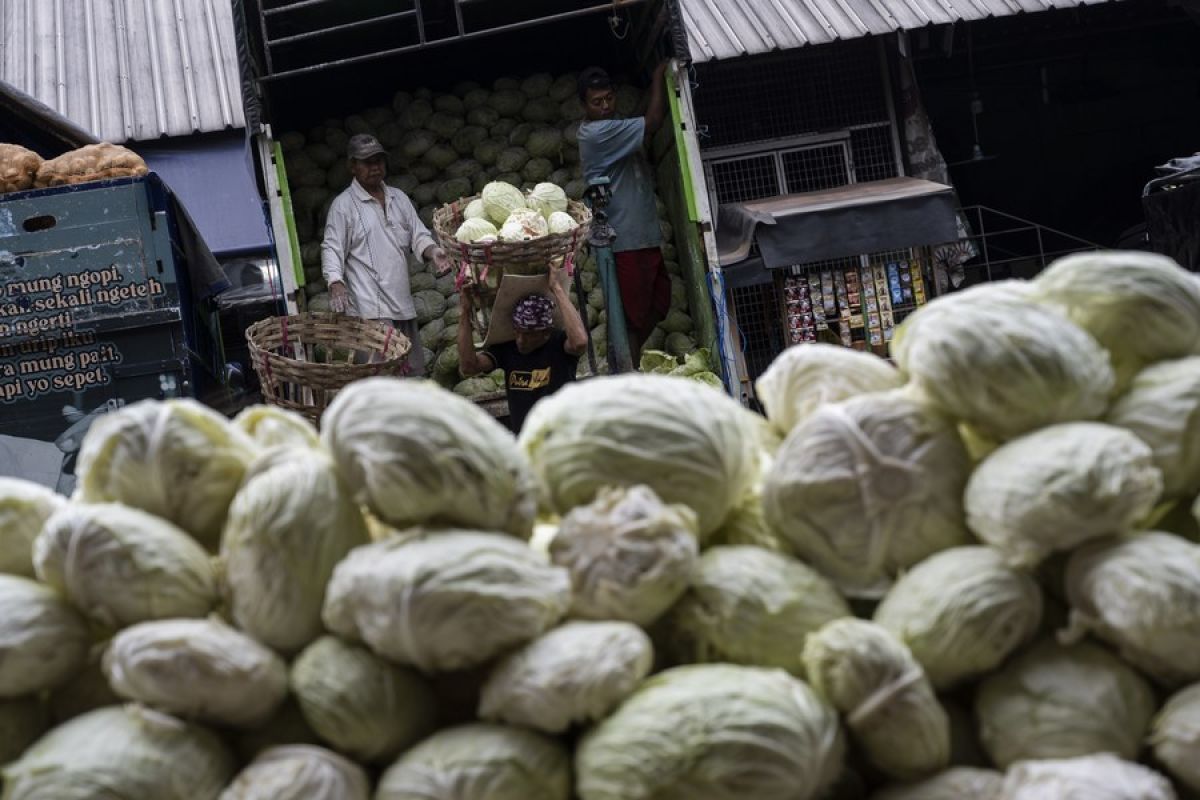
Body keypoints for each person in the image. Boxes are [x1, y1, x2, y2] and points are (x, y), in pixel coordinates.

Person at [321, 133, 451, 374]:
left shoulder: (398, 198)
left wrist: (434, 251)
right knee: (384, 382)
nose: (375, 167)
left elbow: (418, 234)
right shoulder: (344, 206)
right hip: (370, 312)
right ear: (352, 166)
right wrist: (335, 281)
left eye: (379, 161)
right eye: (367, 162)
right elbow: (332, 247)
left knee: (411, 377)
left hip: (403, 305)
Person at [576, 62, 671, 361]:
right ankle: (628, 368)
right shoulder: (596, 134)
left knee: (660, 303)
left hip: (642, 234)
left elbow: (638, 121)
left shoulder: (614, 127)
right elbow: (652, 120)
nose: (605, 106)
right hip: (624, 238)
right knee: (634, 315)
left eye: (609, 98)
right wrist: (658, 77)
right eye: (596, 102)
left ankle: (628, 358)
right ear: (583, 105)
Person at [457, 260, 588, 432]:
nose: (520, 340)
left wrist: (557, 288)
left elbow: (580, 342)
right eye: (517, 332)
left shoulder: (558, 343)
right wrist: (465, 311)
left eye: (528, 335)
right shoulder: (508, 348)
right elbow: (468, 366)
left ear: (546, 332)